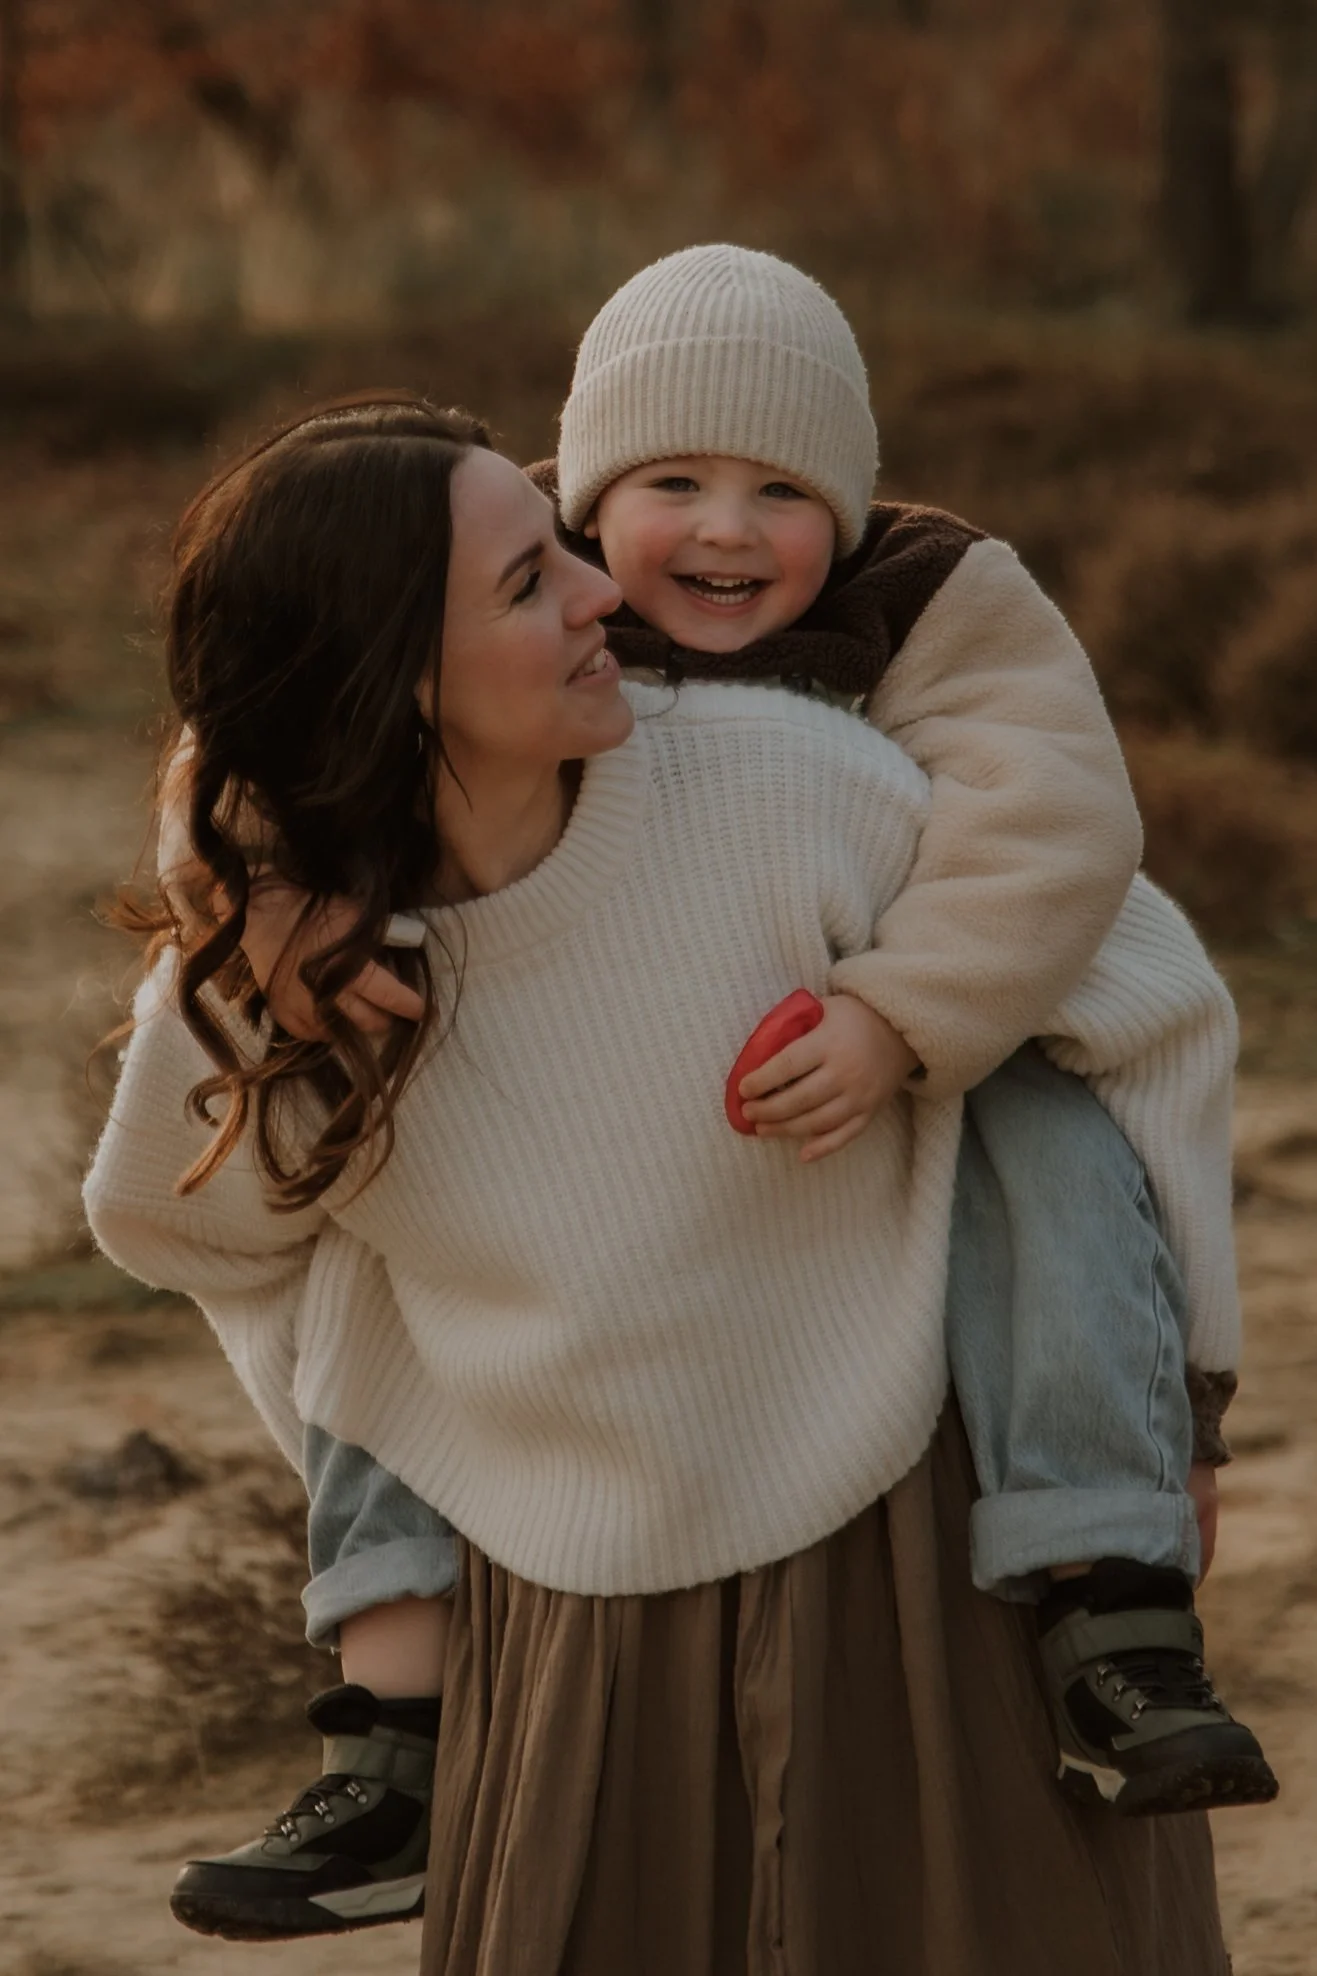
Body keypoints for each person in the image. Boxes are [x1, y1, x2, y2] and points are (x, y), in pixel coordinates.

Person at [86, 392, 1245, 1971]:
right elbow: (184, 1223)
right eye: (529, 581)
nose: (604, 595)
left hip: (929, 1554)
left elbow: (1139, 1006)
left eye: (566, 551)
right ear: (389, 685)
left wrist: (1180, 1412)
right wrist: (466, 1431)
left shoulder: (794, 786)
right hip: (566, 1615)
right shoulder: (297, 970)